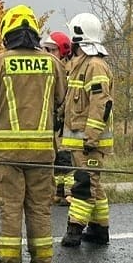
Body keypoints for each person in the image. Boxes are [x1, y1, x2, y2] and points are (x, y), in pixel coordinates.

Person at [0, 5, 67, 263]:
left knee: (9, 209)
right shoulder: (53, 63)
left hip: (7, 153)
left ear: (7, 32)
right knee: (40, 209)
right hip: (43, 153)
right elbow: (62, 98)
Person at [59, 13, 114, 248]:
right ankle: (100, 230)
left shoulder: (95, 66)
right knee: (94, 185)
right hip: (78, 140)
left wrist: (91, 137)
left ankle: (74, 229)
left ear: (77, 36)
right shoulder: (79, 65)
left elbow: (101, 103)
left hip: (90, 142)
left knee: (83, 184)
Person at [41, 30, 75, 204]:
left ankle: (68, 192)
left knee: (65, 156)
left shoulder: (69, 71)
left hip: (66, 121)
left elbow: (65, 97)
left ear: (62, 51)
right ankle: (58, 192)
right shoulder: (51, 68)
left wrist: (58, 114)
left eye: (52, 50)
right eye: (46, 49)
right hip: (53, 120)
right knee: (55, 156)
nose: (47, 54)